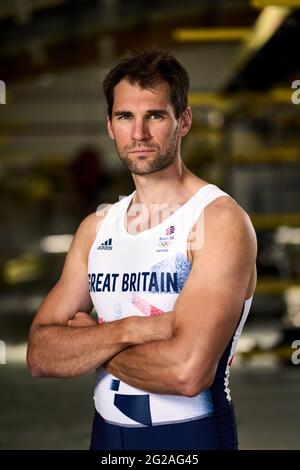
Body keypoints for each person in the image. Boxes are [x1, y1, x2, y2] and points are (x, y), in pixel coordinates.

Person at [27, 49, 257, 450]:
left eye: (154, 115)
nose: (139, 134)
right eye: (124, 117)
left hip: (190, 437)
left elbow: (187, 372)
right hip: (106, 435)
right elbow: (40, 355)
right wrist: (130, 330)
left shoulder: (218, 221)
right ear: (109, 126)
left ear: (183, 121)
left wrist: (91, 343)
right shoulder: (96, 228)